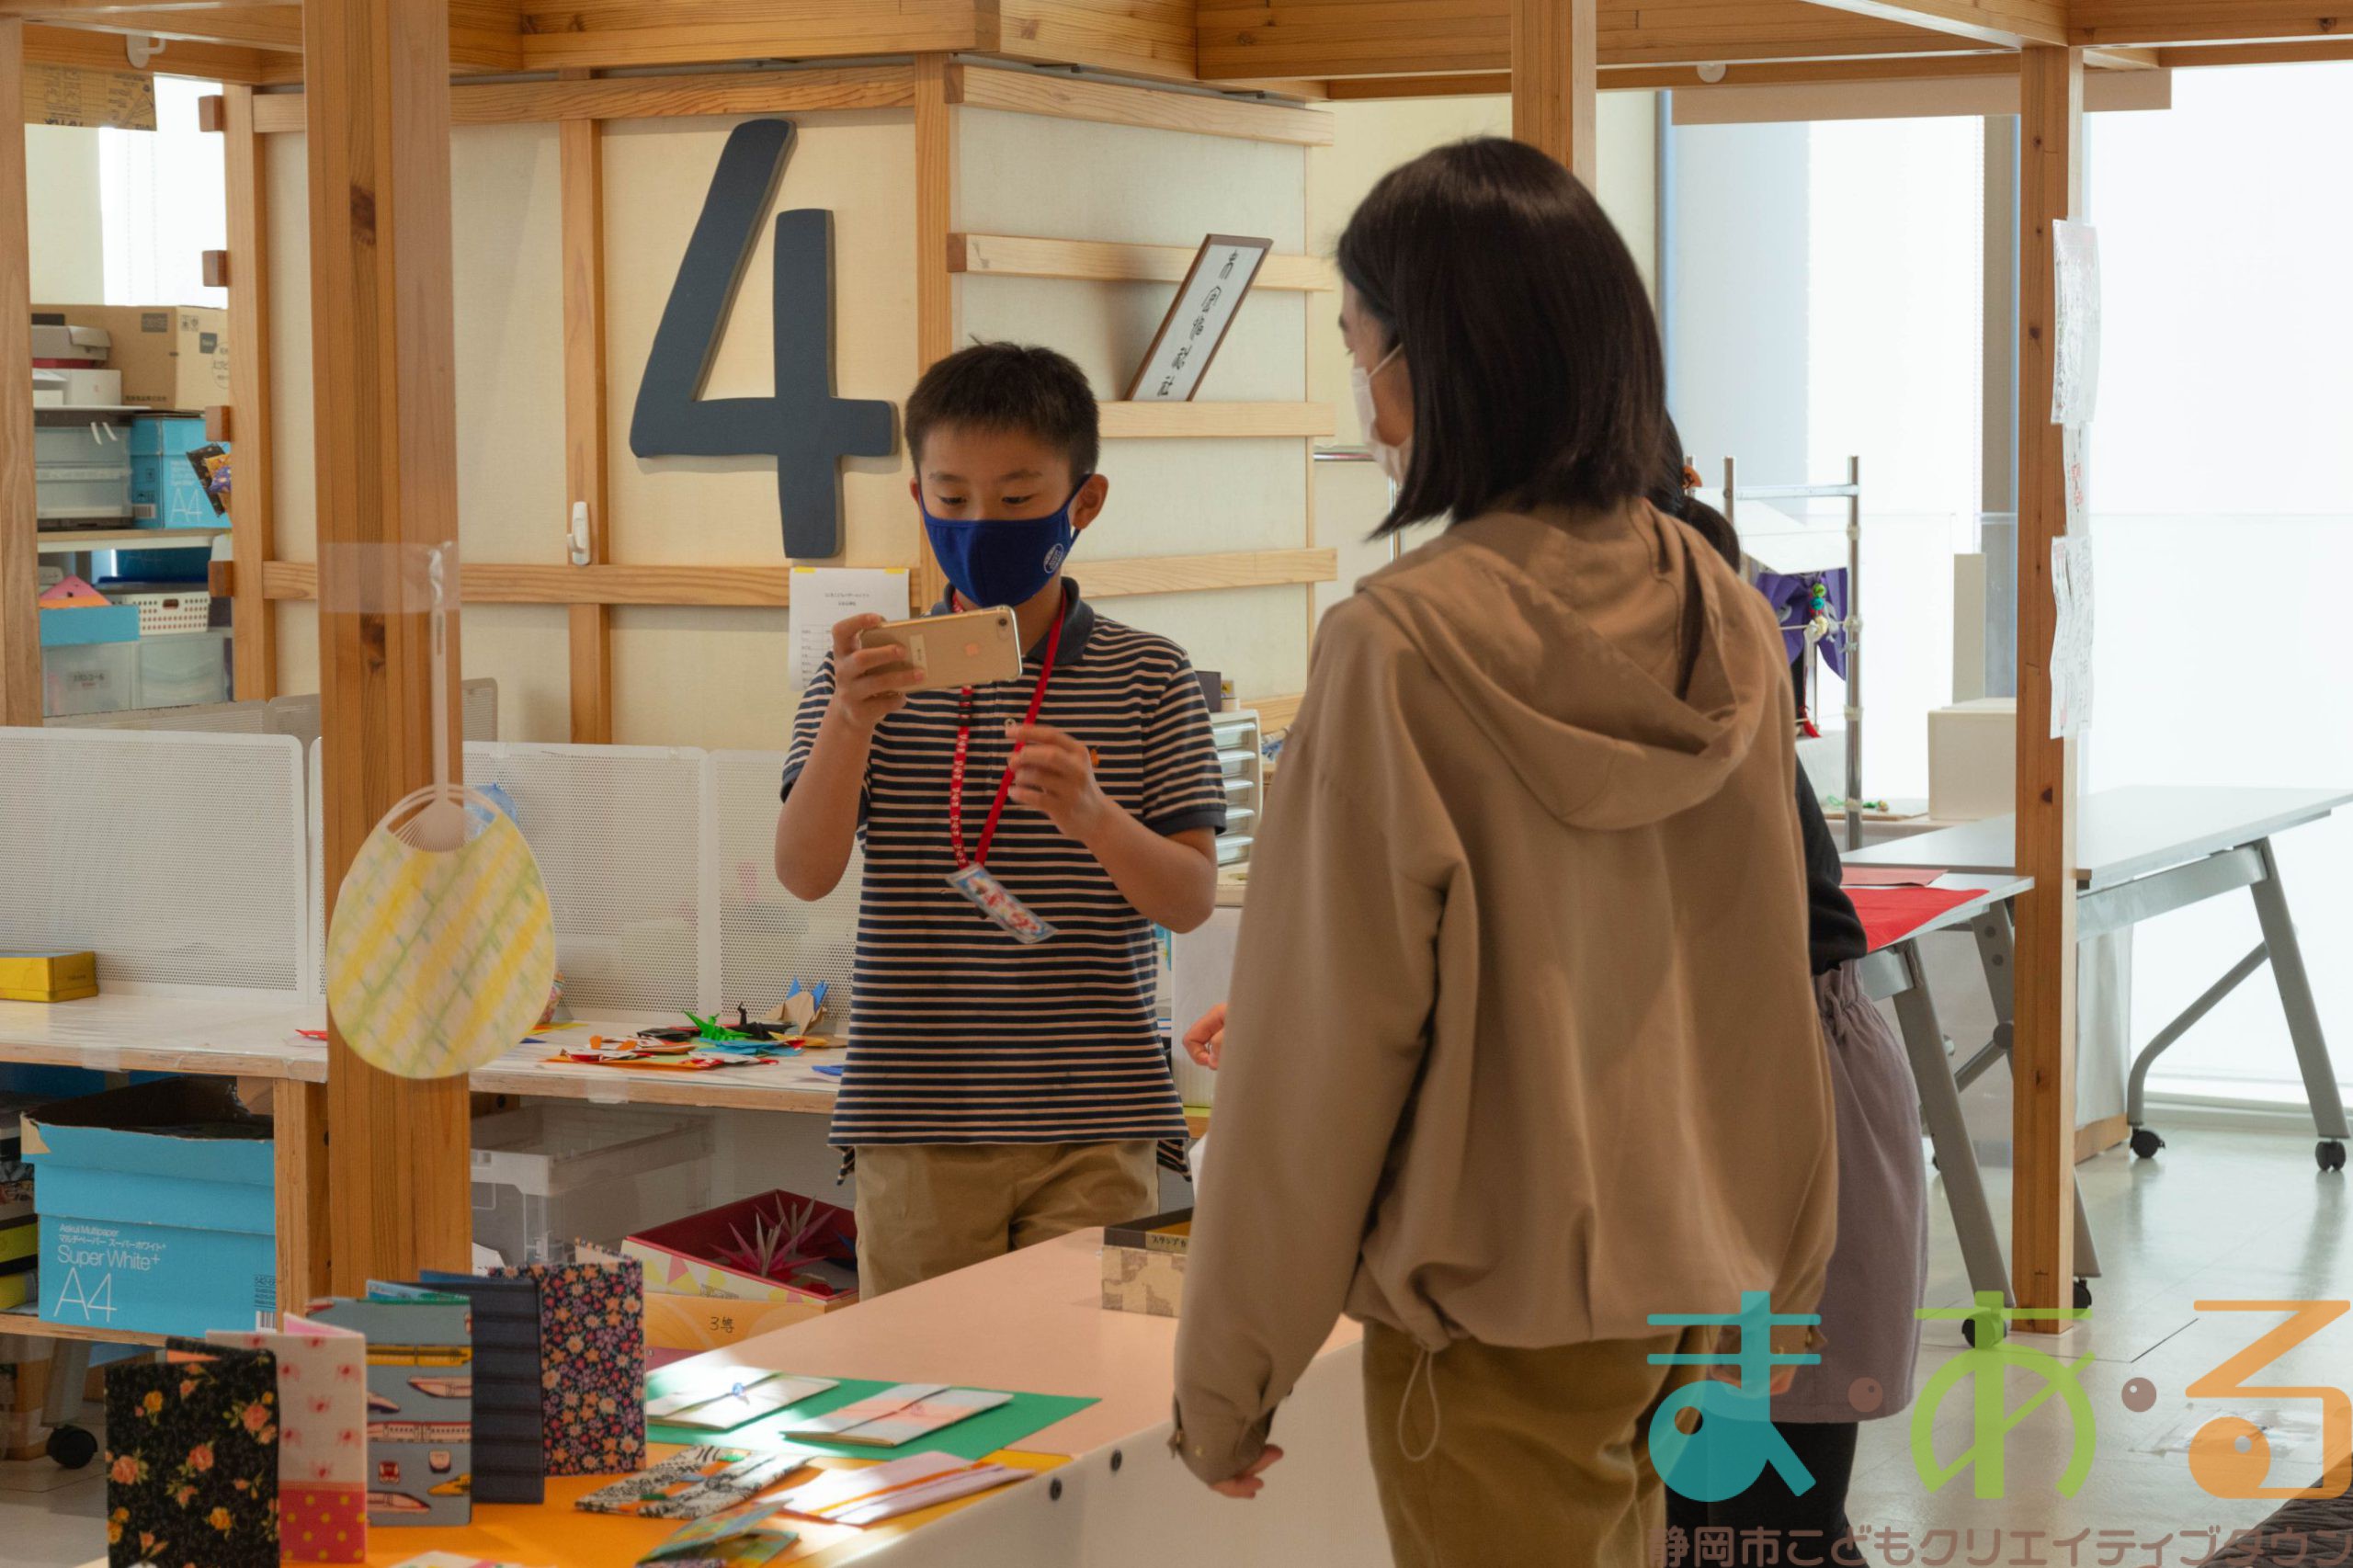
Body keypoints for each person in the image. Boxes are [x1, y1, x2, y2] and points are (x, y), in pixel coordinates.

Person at [1168, 137, 1839, 1568]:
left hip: (1497, 1312)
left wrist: (1229, 1372)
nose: (1367, 398)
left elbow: (1318, 1051)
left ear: (1430, 364)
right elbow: (1762, 981)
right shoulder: (1722, 610)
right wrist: (1779, 1272)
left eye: (1362, 350)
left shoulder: (1398, 644)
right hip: (1693, 1287)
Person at [774, 341, 1229, 1298]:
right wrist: (850, 721)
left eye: (1019, 499)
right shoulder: (864, 673)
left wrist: (1097, 818)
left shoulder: (1150, 674)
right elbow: (804, 872)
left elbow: (1189, 901)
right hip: (915, 1114)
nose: (981, 524)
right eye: (952, 496)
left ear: (1084, 501)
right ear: (918, 496)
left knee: (1098, 1373)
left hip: (1100, 1117)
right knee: (918, 1378)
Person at [1654, 449, 1928, 1565]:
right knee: (1729, 1515)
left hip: (1774, 1098)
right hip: (1724, 1093)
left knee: (1753, 1519)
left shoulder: (1697, 713)